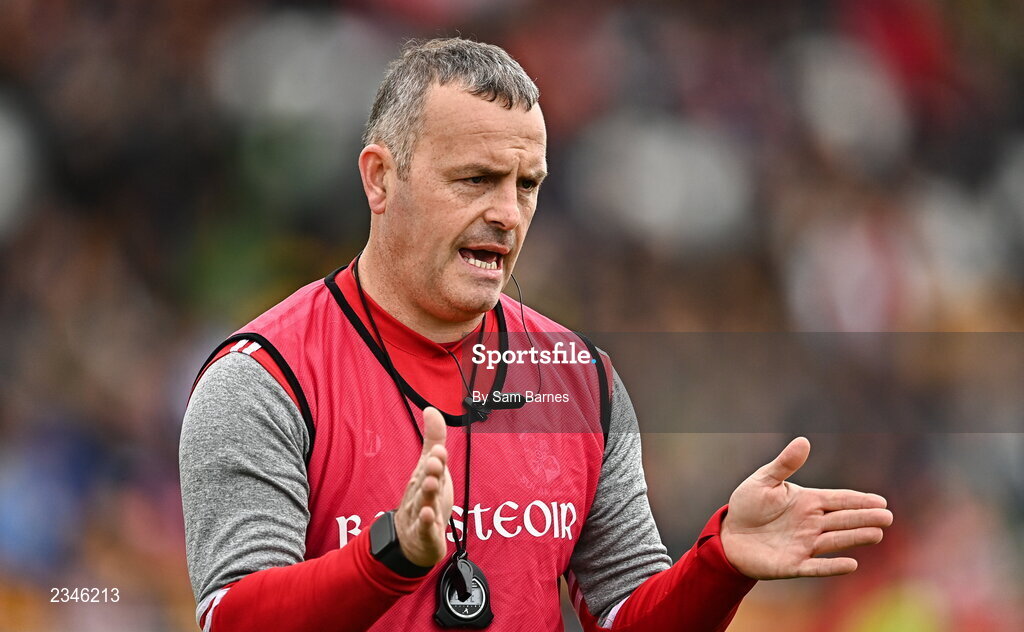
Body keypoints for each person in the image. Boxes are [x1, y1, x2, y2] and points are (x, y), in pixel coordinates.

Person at [179, 38, 893, 632]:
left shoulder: (578, 381)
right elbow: (232, 618)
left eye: (527, 184)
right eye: (476, 179)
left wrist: (718, 564)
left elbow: (624, 614)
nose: (508, 214)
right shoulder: (265, 379)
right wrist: (389, 555)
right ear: (379, 179)